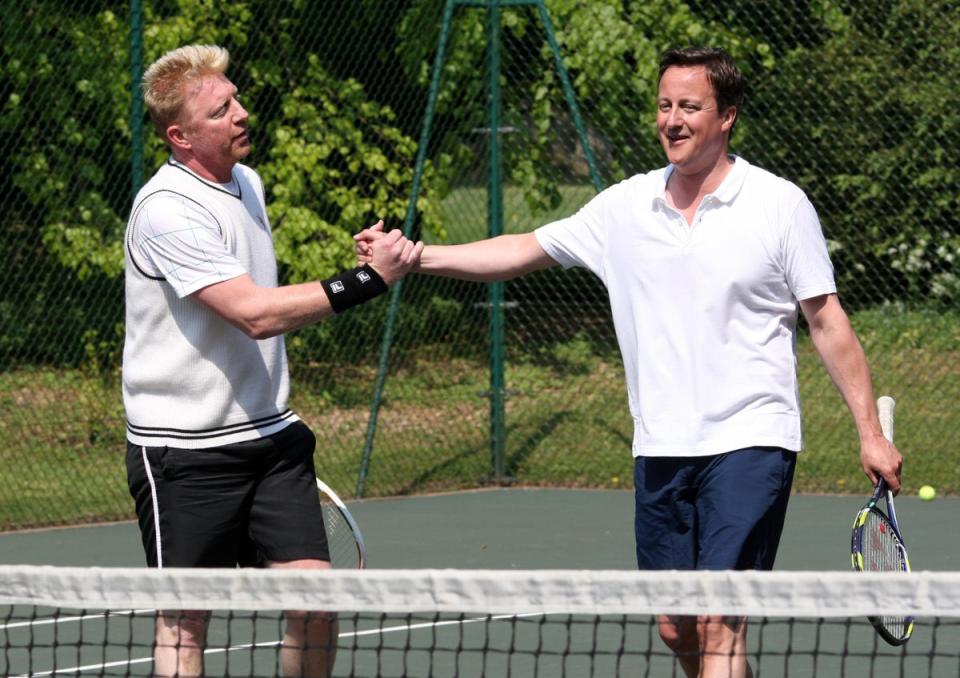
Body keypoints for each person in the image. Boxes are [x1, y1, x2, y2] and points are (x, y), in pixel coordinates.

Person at [356, 47, 902, 677]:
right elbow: (519, 250)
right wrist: (414, 258)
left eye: (689, 107)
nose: (672, 119)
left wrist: (868, 433)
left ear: (726, 117)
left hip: (752, 439)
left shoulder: (780, 205)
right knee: (677, 627)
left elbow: (827, 319)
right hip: (661, 445)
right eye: (665, 105)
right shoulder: (622, 209)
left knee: (720, 619)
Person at [123, 44, 423, 678]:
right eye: (221, 109)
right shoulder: (165, 211)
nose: (241, 113)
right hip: (184, 451)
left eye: (236, 98)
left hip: (271, 436)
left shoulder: (247, 183)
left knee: (316, 600)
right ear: (180, 136)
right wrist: (366, 280)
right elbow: (253, 312)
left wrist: (367, 269)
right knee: (185, 619)